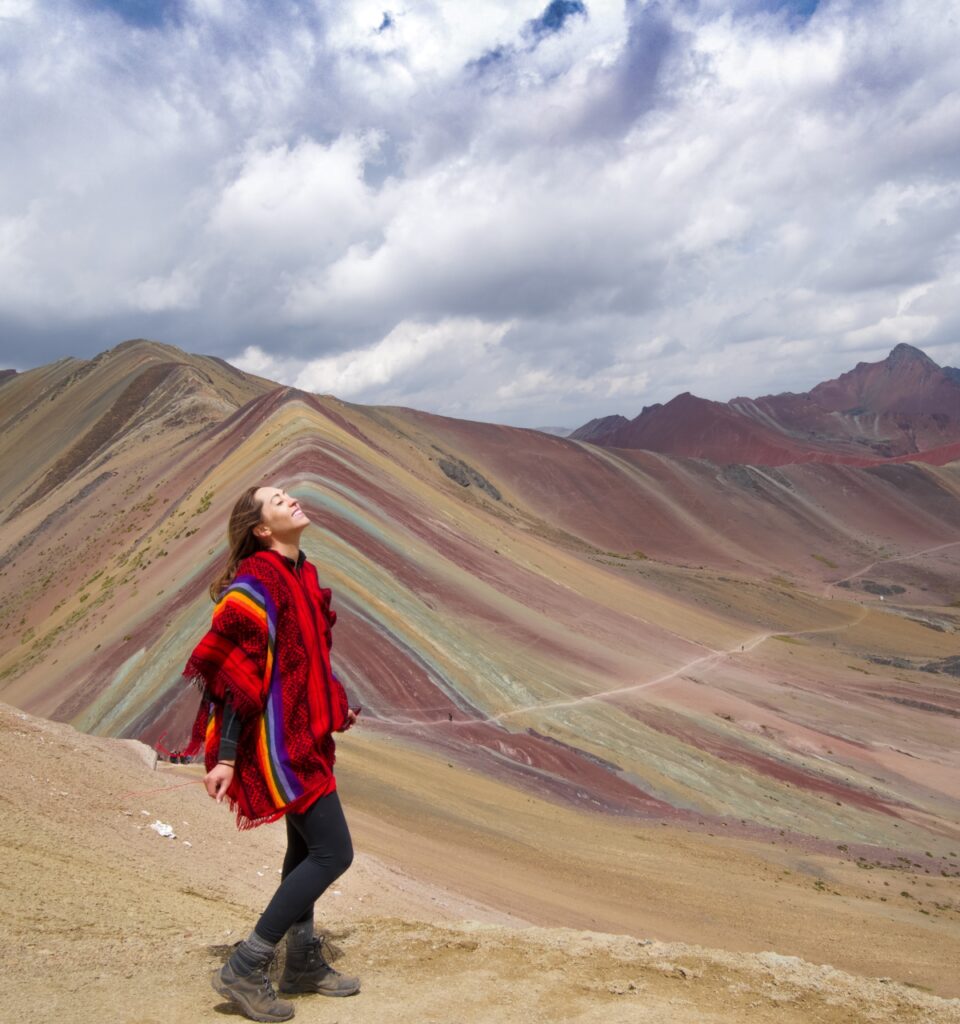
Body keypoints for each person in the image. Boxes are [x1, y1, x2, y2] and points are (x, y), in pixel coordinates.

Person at [182, 485, 360, 1022]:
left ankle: (302, 961)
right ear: (262, 529)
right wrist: (229, 757)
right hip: (279, 745)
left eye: (287, 494)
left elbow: (302, 658)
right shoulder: (256, 582)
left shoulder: (301, 572)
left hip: (308, 734)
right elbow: (238, 675)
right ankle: (247, 963)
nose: (291, 501)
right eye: (278, 501)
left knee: (305, 852)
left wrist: (334, 704)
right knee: (335, 853)